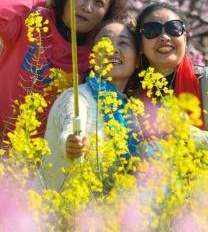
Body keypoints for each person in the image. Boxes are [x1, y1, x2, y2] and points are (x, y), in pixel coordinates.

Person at [0, 0, 127, 152]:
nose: (87, 7)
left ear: (106, 14)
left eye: (99, 2)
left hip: (29, 162)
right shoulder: (33, 22)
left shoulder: (96, 56)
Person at [132, 1, 208, 157]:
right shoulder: (134, 97)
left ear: (185, 38)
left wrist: (187, 132)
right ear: (140, 45)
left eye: (174, 29)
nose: (164, 37)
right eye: (151, 30)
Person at [42, 20, 139, 190]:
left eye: (123, 43)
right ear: (92, 57)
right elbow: (72, 124)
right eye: (105, 42)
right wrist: (72, 143)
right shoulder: (77, 97)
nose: (113, 49)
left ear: (137, 60)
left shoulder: (131, 113)